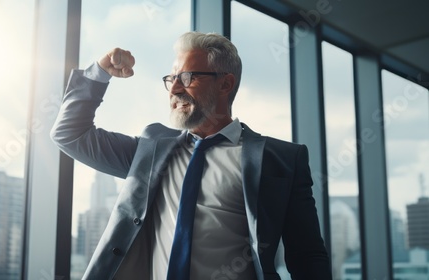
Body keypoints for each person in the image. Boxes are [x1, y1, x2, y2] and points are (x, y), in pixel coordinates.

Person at [51, 31, 332, 280]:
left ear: (225, 84)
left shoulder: (282, 159)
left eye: (187, 77)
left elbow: (307, 257)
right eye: (171, 78)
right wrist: (100, 72)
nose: (174, 88)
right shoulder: (151, 149)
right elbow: (69, 134)